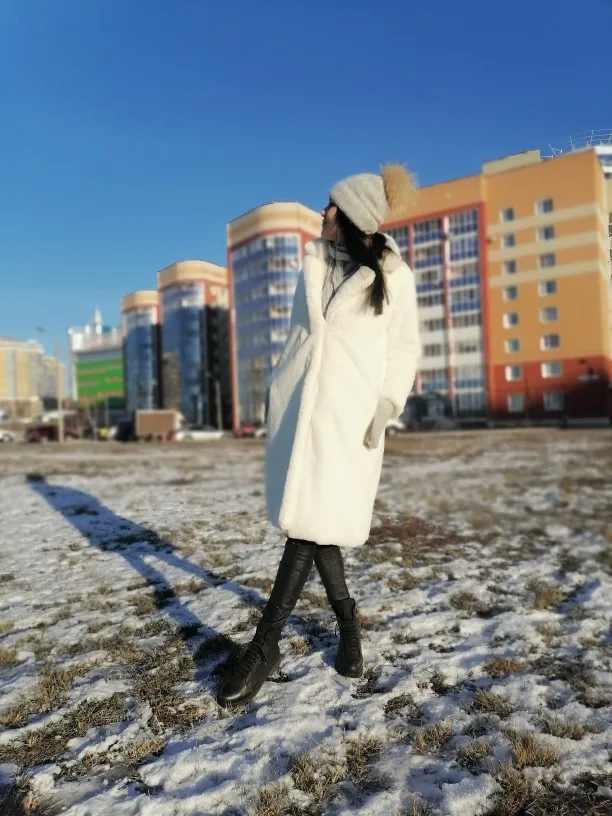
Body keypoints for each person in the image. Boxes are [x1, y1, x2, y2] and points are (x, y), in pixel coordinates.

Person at [217, 165, 421, 708]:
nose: (323, 211)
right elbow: (298, 338)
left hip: (350, 420)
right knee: (316, 525)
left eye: (331, 205)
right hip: (302, 414)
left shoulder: (393, 277)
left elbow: (403, 348)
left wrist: (386, 406)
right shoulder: (312, 264)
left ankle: (265, 645)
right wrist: (278, 389)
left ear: (351, 217)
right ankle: (348, 623)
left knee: (308, 529)